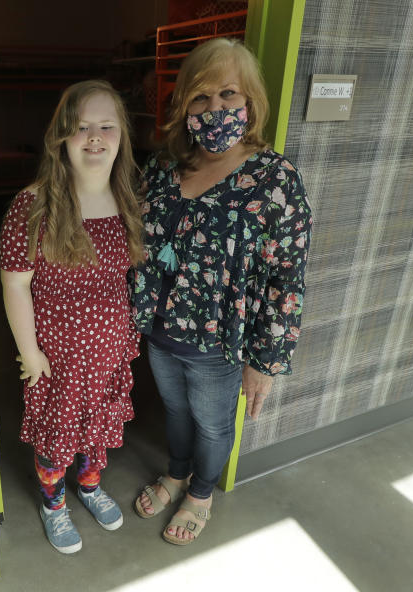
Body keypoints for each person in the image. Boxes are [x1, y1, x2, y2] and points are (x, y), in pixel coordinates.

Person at [132, 38, 313, 545]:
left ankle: (201, 493)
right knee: (172, 410)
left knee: (212, 425)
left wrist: (266, 360)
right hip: (162, 333)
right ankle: (175, 471)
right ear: (185, 107)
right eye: (200, 98)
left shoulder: (275, 179)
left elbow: (287, 277)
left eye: (228, 94)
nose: (215, 109)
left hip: (218, 345)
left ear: (249, 101)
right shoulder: (164, 170)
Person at [0, 80, 143, 554]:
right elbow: (16, 284)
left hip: (108, 352)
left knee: (96, 427)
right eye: (82, 127)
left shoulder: (127, 200)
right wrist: (30, 353)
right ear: (61, 136)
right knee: (57, 434)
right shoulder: (33, 204)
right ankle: (53, 502)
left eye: (107, 126)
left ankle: (88, 484)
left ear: (122, 136)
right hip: (57, 358)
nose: (95, 137)